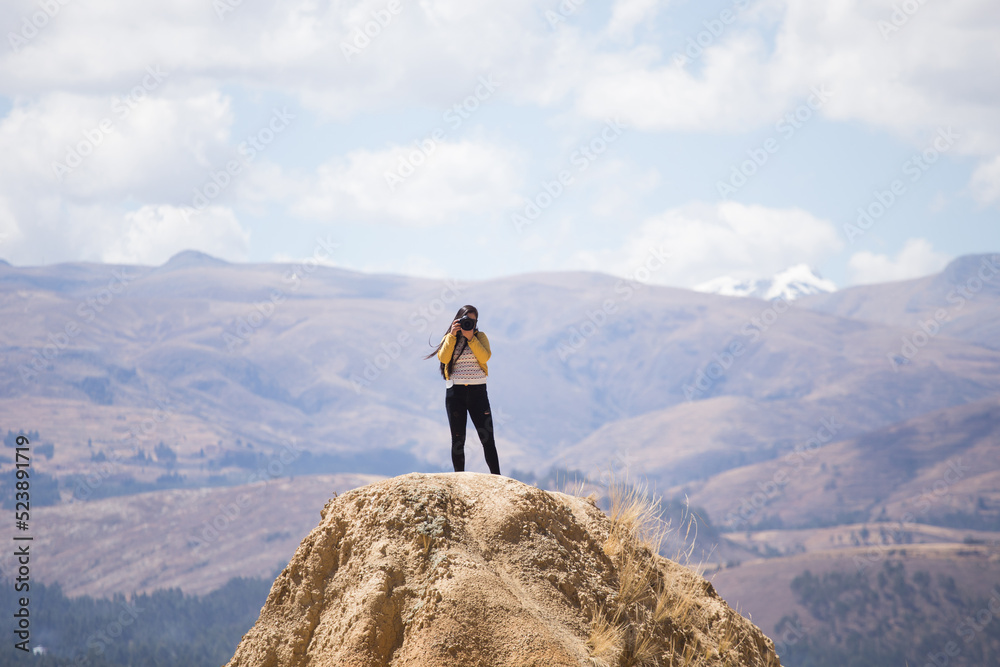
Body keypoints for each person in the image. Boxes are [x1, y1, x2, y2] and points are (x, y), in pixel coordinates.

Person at [424, 305, 501, 475]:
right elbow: (443, 358)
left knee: (487, 439)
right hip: (455, 394)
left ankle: (498, 479)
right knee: (458, 440)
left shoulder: (480, 337)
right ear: (457, 320)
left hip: (478, 393)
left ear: (476, 322)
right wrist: (452, 335)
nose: (469, 323)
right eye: (466, 320)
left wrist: (471, 338)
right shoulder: (450, 338)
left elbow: (485, 357)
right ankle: (459, 480)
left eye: (472, 321)